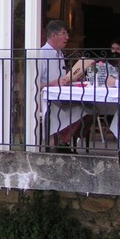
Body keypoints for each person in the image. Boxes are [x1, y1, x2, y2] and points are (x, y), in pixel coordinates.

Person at [39, 20, 86, 152]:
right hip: (48, 99)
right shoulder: (42, 54)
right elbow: (33, 83)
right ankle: (58, 141)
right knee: (82, 109)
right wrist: (53, 83)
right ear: (53, 36)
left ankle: (62, 140)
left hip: (62, 96)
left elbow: (61, 79)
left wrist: (73, 78)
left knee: (89, 108)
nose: (67, 37)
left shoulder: (59, 54)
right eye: (63, 33)